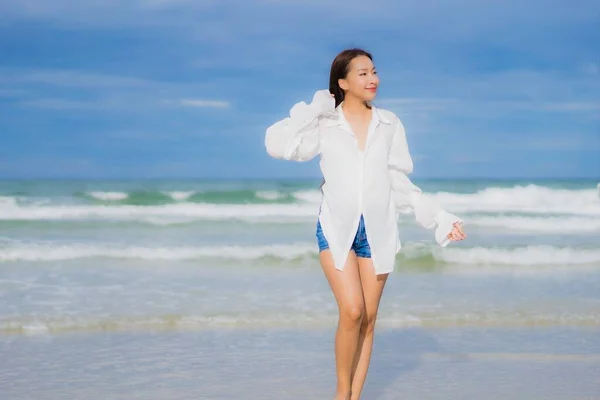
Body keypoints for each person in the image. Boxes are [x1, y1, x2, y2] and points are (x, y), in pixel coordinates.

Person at [264, 48, 466, 400]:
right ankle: (342, 395)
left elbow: (398, 182)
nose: (372, 78)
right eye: (362, 73)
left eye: (373, 71)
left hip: (378, 230)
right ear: (342, 82)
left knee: (369, 319)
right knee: (352, 311)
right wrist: (314, 110)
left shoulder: (389, 124)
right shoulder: (326, 124)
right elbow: (278, 145)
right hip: (337, 227)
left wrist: (439, 218)